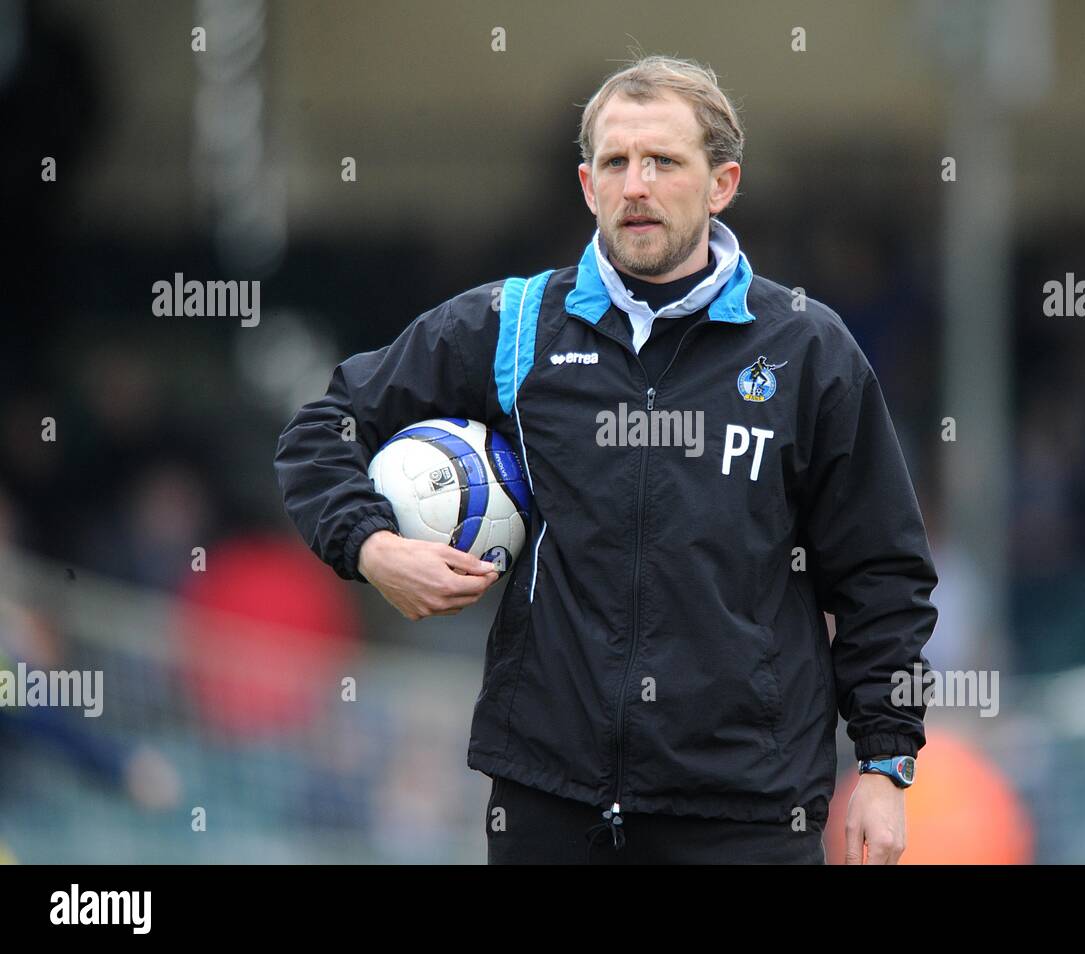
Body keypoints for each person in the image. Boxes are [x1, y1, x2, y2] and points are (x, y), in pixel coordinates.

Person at [275, 55, 938, 864]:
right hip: (549, 804)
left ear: (723, 182)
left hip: (748, 814)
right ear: (587, 185)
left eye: (663, 161)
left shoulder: (808, 348)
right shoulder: (513, 326)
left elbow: (882, 573)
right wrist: (372, 547)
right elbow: (324, 427)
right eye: (615, 163)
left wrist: (883, 764)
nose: (636, 185)